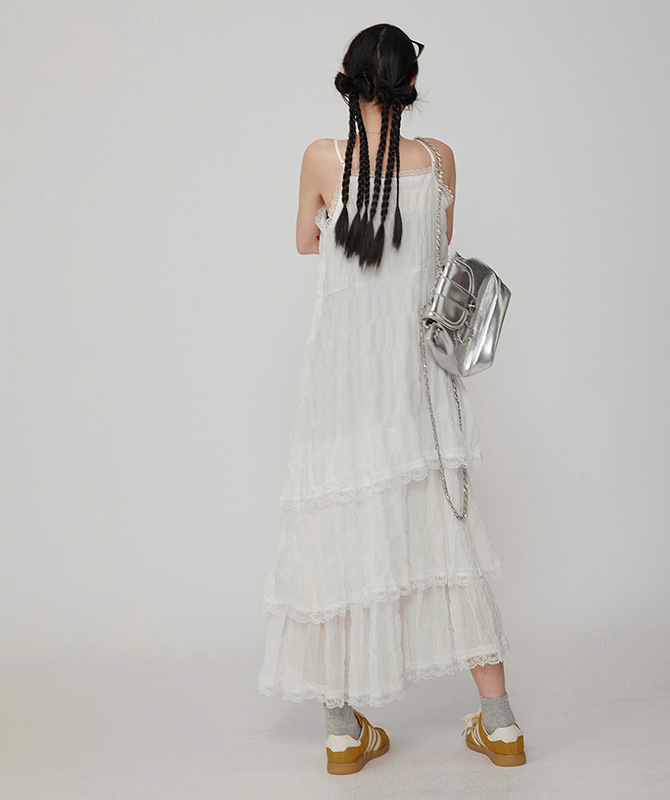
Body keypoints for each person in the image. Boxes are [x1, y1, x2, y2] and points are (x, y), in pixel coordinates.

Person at [257, 22, 525, 773]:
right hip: (419, 387)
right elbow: (438, 244)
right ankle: (502, 726)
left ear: (347, 77)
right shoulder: (439, 160)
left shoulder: (322, 158)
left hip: (343, 384)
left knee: (334, 535)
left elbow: (307, 242)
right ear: (411, 83)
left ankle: (342, 732)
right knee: (449, 539)